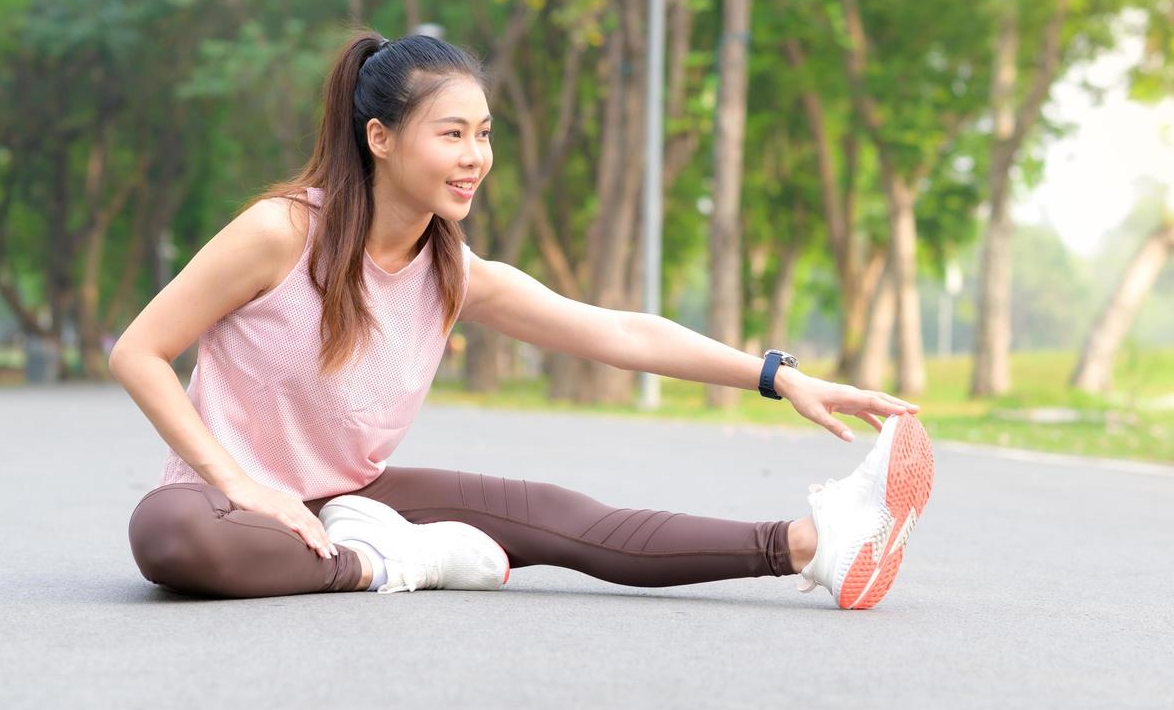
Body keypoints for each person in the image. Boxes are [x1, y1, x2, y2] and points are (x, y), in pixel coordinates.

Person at [116, 30, 935, 610]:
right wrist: (243, 486)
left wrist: (779, 375)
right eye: (451, 134)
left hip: (348, 499)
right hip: (227, 509)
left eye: (482, 135)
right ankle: (386, 566)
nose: (475, 157)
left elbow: (619, 331)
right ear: (381, 138)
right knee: (166, 536)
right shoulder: (282, 233)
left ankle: (816, 544)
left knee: (560, 517)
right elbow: (140, 352)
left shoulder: (452, 272)